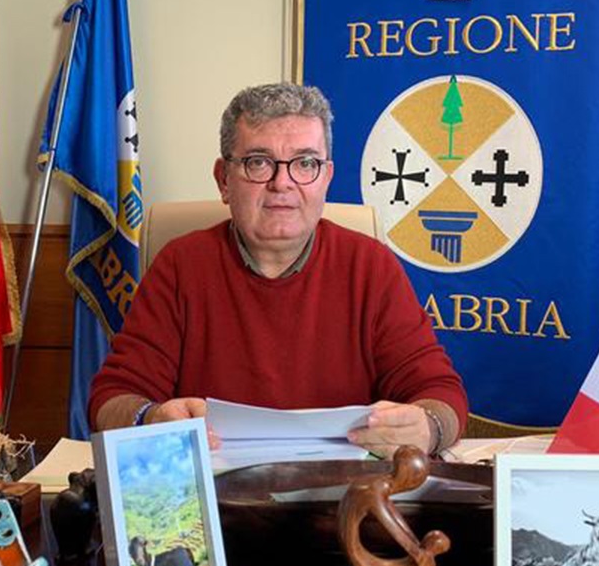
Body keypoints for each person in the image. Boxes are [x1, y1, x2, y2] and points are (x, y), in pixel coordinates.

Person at [88, 82, 468, 458]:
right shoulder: (179, 266)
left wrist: (429, 427)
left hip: (345, 492)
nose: (281, 183)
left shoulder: (371, 266)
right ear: (224, 180)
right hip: (220, 492)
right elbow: (111, 400)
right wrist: (150, 418)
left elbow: (442, 393)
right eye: (258, 162)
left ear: (326, 178)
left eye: (305, 163)